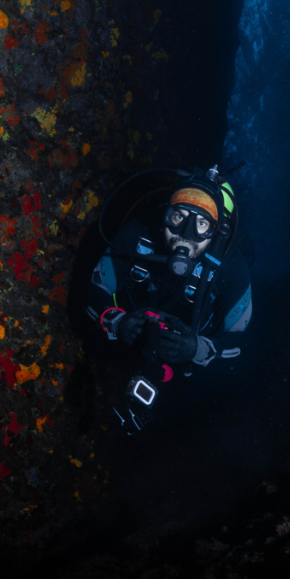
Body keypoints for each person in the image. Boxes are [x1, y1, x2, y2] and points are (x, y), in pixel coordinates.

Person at [86, 167, 253, 434]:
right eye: (178, 216)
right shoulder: (138, 233)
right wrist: (116, 320)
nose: (185, 233)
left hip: (185, 367)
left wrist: (199, 349)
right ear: (164, 214)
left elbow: (242, 338)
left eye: (201, 224)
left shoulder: (230, 265)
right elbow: (96, 287)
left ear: (218, 231)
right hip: (125, 342)